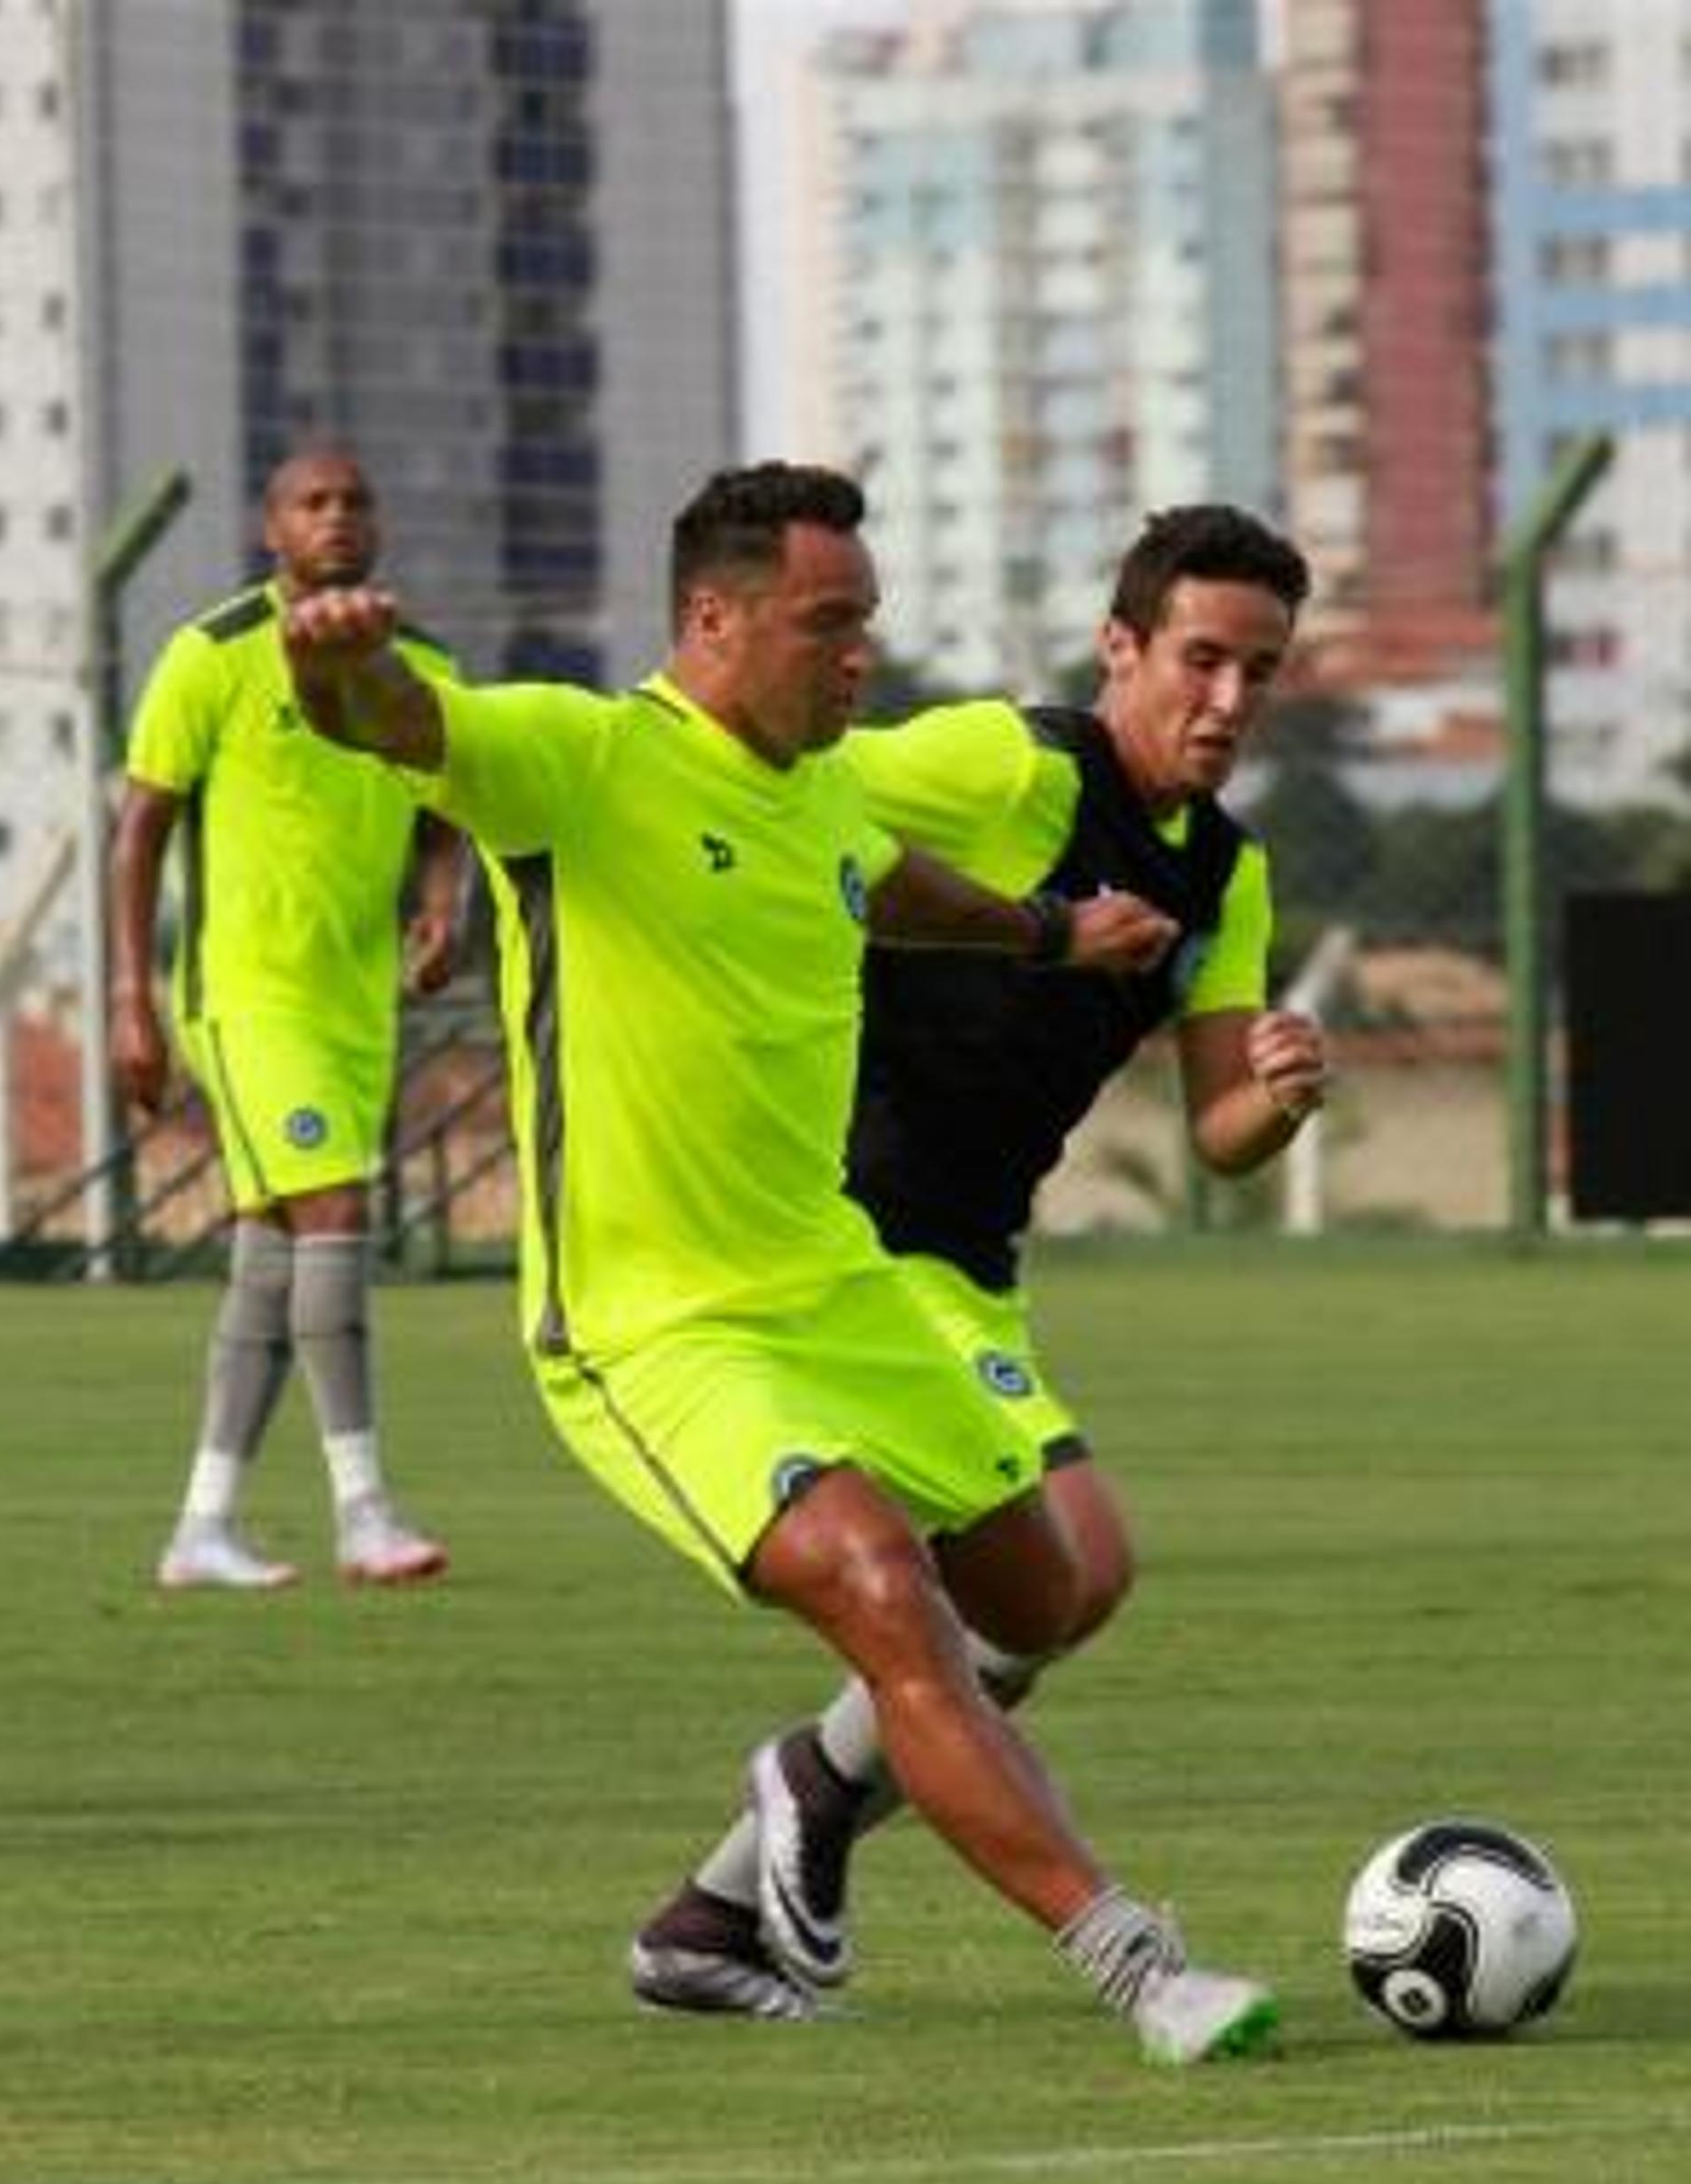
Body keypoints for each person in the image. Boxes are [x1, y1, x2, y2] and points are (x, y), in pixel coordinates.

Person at [281, 462, 1280, 2065]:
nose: (860, 656)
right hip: (657, 1328)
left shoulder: (821, 789)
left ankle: (728, 1898)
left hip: (840, 1285)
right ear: (712, 619)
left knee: (1041, 1591)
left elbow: (894, 891)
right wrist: (332, 657)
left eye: (868, 624)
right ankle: (1140, 1965)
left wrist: (1049, 934)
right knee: (887, 1595)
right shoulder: (586, 759)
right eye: (831, 625)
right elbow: (389, 721)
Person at [638, 504, 1331, 2017]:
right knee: (1063, 1574)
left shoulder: (1228, 871)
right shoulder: (1009, 768)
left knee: (1059, 1593)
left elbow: (1215, 1130)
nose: (1226, 703)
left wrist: (1273, 1097)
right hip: (853, 1234)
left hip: (968, 1260)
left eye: (1259, 673)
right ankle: (817, 1802)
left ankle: (727, 1890)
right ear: (1122, 647)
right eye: (1200, 660)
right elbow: (785, 779)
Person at [110, 447, 469, 1592]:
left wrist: (444, 905)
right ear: (272, 529)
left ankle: (201, 1526)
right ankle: (363, 1507)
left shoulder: (424, 665)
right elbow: (140, 829)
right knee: (333, 1210)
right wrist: (132, 1000)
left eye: (358, 500)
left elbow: (452, 802)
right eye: (313, 503)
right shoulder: (210, 654)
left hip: (354, 1000)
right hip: (245, 995)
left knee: (273, 1252)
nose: (339, 519)